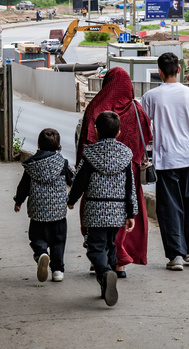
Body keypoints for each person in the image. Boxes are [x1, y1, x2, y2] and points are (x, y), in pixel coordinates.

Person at [140, 52, 189, 271]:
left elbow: (144, 129)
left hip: (164, 160)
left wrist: (143, 154)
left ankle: (176, 255)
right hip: (187, 158)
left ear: (159, 72)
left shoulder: (151, 96)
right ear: (179, 70)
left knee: (169, 207)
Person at [76, 67, 151, 278]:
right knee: (126, 217)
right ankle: (120, 264)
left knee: (98, 221)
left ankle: (100, 260)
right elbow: (146, 136)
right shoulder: (137, 109)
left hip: (96, 176)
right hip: (129, 173)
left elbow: (85, 143)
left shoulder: (96, 108)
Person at [68, 111, 136, 307]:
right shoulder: (126, 155)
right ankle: (108, 276)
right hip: (117, 210)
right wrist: (130, 213)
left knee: (95, 247)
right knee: (110, 245)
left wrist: (72, 199)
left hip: (95, 208)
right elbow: (129, 187)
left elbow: (80, 180)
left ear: (96, 131)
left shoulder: (89, 154)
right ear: (119, 131)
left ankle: (106, 273)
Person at [13, 129, 73, 283]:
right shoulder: (63, 163)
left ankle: (41, 254)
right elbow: (72, 180)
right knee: (58, 240)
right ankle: (57, 270)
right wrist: (72, 198)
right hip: (58, 211)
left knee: (37, 237)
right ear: (59, 146)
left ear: (38, 144)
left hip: (38, 211)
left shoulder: (32, 165)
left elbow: (23, 186)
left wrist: (18, 201)